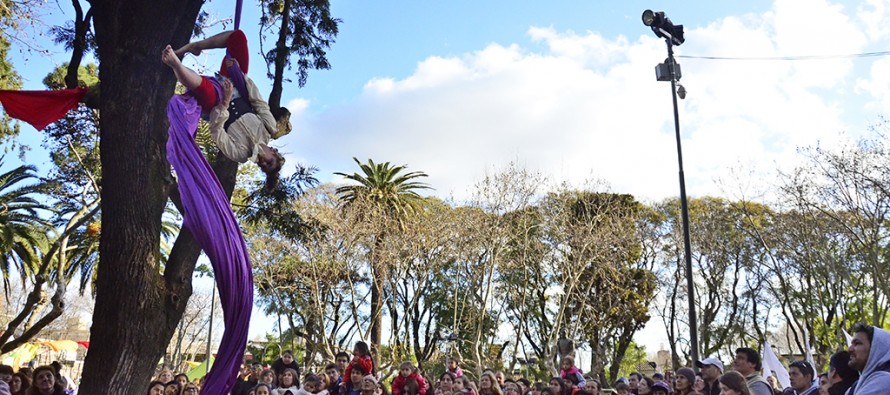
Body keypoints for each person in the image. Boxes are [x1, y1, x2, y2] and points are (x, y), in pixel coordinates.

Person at [162, 30, 289, 191]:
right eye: (270, 162)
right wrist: (241, 75)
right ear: (274, 152)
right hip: (235, 85)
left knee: (203, 89)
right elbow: (258, 101)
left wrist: (225, 103)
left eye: (264, 167)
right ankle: (196, 46)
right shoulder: (269, 127)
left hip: (216, 105)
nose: (264, 163)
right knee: (239, 37)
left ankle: (175, 64)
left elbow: (216, 132)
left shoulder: (240, 154)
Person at [847, 322, 890, 394]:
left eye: (857, 343)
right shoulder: (856, 386)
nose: (850, 349)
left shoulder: (884, 381)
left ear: (876, 349)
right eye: (852, 344)